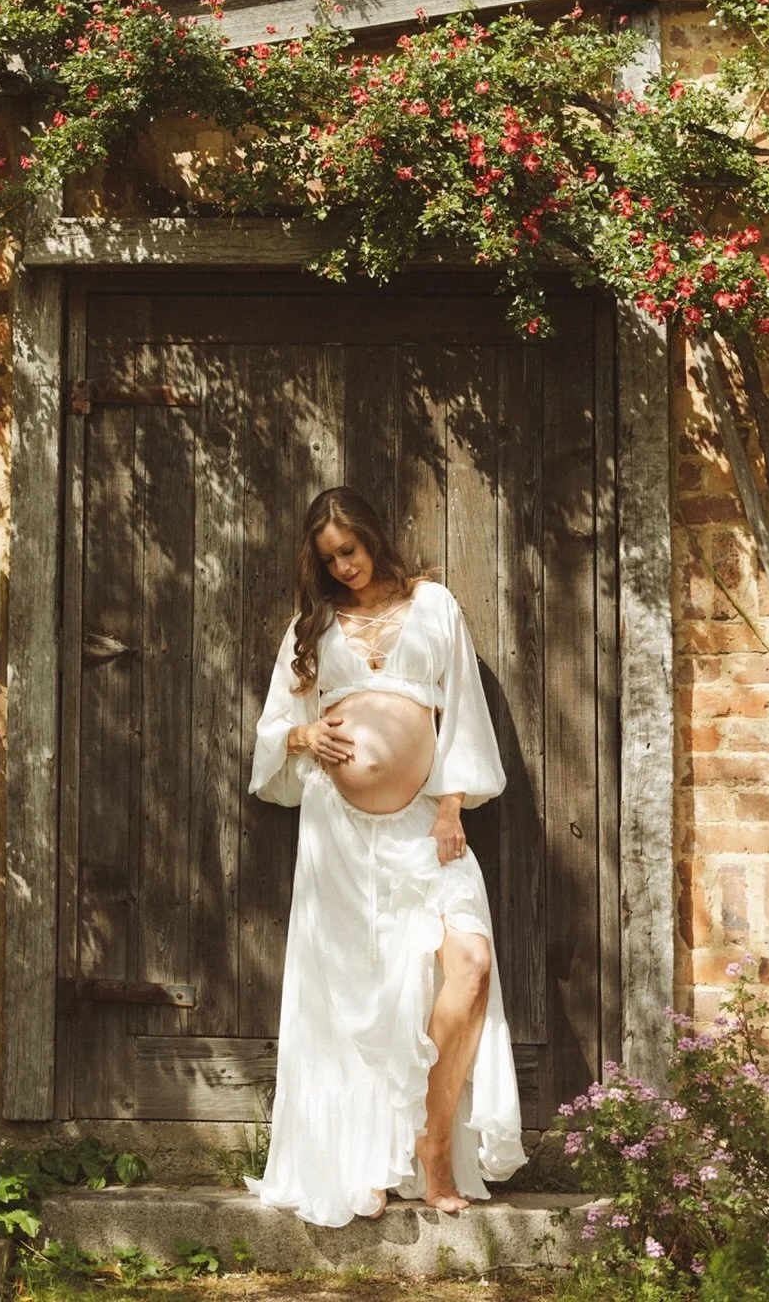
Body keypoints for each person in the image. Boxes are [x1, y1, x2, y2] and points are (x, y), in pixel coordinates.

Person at [246, 486, 524, 1228]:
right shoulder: (311, 628)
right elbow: (278, 728)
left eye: (352, 550)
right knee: (355, 996)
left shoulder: (435, 607)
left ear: (374, 537)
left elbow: (460, 704)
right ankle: (366, 1159)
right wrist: (304, 739)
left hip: (425, 829)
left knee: (469, 963)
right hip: (338, 829)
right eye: (329, 559)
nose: (344, 568)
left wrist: (449, 806)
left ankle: (432, 1142)